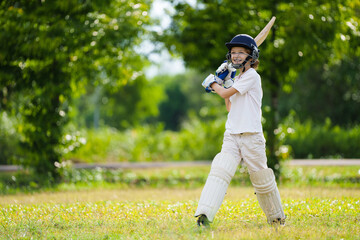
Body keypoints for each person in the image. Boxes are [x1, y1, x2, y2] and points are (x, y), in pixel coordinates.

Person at [196, 34, 286, 227]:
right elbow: (230, 105)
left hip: (251, 136)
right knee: (220, 169)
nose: (236, 56)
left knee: (261, 178)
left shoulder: (252, 76)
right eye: (233, 52)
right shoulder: (238, 78)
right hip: (232, 134)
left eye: (241, 52)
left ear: (251, 56)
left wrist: (214, 84)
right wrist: (226, 81)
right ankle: (204, 214)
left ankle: (276, 218)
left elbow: (224, 95)